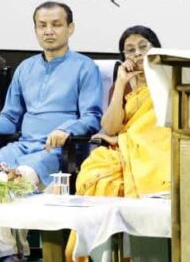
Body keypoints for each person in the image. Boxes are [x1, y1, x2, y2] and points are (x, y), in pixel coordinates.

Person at [0, 1, 103, 262]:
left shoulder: (85, 67)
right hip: (22, 146)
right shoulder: (25, 68)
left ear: (70, 28)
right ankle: (8, 253)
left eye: (56, 25)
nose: (49, 31)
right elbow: (9, 118)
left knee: (17, 178)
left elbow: (92, 117)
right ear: (35, 29)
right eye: (42, 25)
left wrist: (66, 129)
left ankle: (11, 253)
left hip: (59, 151)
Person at [67, 25, 170, 262]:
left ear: (155, 49)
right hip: (126, 151)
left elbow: (163, 128)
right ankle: (99, 255)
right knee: (97, 172)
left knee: (113, 182)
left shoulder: (169, 79)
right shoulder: (122, 84)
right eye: (130, 50)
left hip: (157, 152)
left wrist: (123, 138)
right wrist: (122, 83)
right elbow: (111, 126)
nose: (137, 53)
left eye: (143, 47)